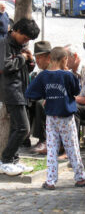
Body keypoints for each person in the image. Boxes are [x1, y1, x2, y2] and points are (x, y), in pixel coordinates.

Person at [25, 47, 85, 190]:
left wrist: (46, 95)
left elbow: (30, 92)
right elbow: (75, 91)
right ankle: (80, 177)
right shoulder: (68, 76)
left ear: (50, 59)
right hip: (66, 118)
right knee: (72, 147)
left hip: (50, 117)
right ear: (64, 59)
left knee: (52, 148)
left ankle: (50, 181)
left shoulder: (43, 75)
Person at [0, 18, 40, 176]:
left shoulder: (19, 46)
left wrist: (30, 61)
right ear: (16, 31)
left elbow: (23, 70)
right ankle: (6, 160)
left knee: (17, 127)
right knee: (24, 128)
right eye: (25, 38)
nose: (26, 41)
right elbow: (4, 67)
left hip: (21, 90)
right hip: (11, 91)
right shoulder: (4, 44)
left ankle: (13, 160)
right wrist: (22, 58)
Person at [29, 41, 52, 154]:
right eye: (36, 58)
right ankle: (24, 138)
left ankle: (44, 139)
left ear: (49, 57)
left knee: (40, 103)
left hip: (58, 100)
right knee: (28, 101)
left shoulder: (56, 69)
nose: (37, 61)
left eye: (40, 58)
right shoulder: (41, 72)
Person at [64, 44, 85, 136]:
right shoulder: (71, 72)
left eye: (66, 58)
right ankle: (56, 143)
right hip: (81, 103)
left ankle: (73, 147)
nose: (64, 61)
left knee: (72, 108)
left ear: (75, 56)